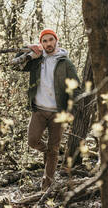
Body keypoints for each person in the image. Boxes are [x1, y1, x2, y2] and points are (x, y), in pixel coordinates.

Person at [13, 28, 81, 191]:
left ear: (56, 41)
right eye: (44, 41)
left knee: (54, 148)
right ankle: (49, 152)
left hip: (58, 113)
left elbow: (76, 89)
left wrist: (71, 111)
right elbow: (15, 66)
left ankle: (46, 186)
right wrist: (28, 49)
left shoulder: (65, 63)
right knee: (33, 141)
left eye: (51, 40)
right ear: (41, 43)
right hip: (39, 110)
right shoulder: (36, 60)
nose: (48, 43)